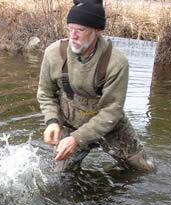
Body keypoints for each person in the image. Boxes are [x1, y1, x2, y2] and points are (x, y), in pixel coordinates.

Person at [37, 0, 155, 172]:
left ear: (98, 31)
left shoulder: (117, 63)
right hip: (70, 124)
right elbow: (45, 93)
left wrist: (77, 139)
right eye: (70, 28)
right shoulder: (53, 53)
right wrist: (52, 121)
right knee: (59, 177)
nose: (73, 35)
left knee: (144, 171)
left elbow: (111, 111)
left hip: (110, 126)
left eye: (80, 30)